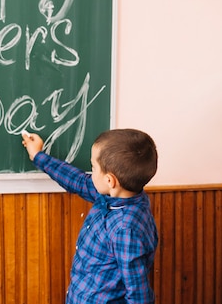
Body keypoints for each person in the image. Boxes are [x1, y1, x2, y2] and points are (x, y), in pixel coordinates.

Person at [21, 129, 158, 303]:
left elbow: (138, 293)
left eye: (93, 167)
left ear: (110, 180)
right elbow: (78, 181)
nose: (91, 173)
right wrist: (38, 156)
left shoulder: (125, 229)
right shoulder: (116, 194)